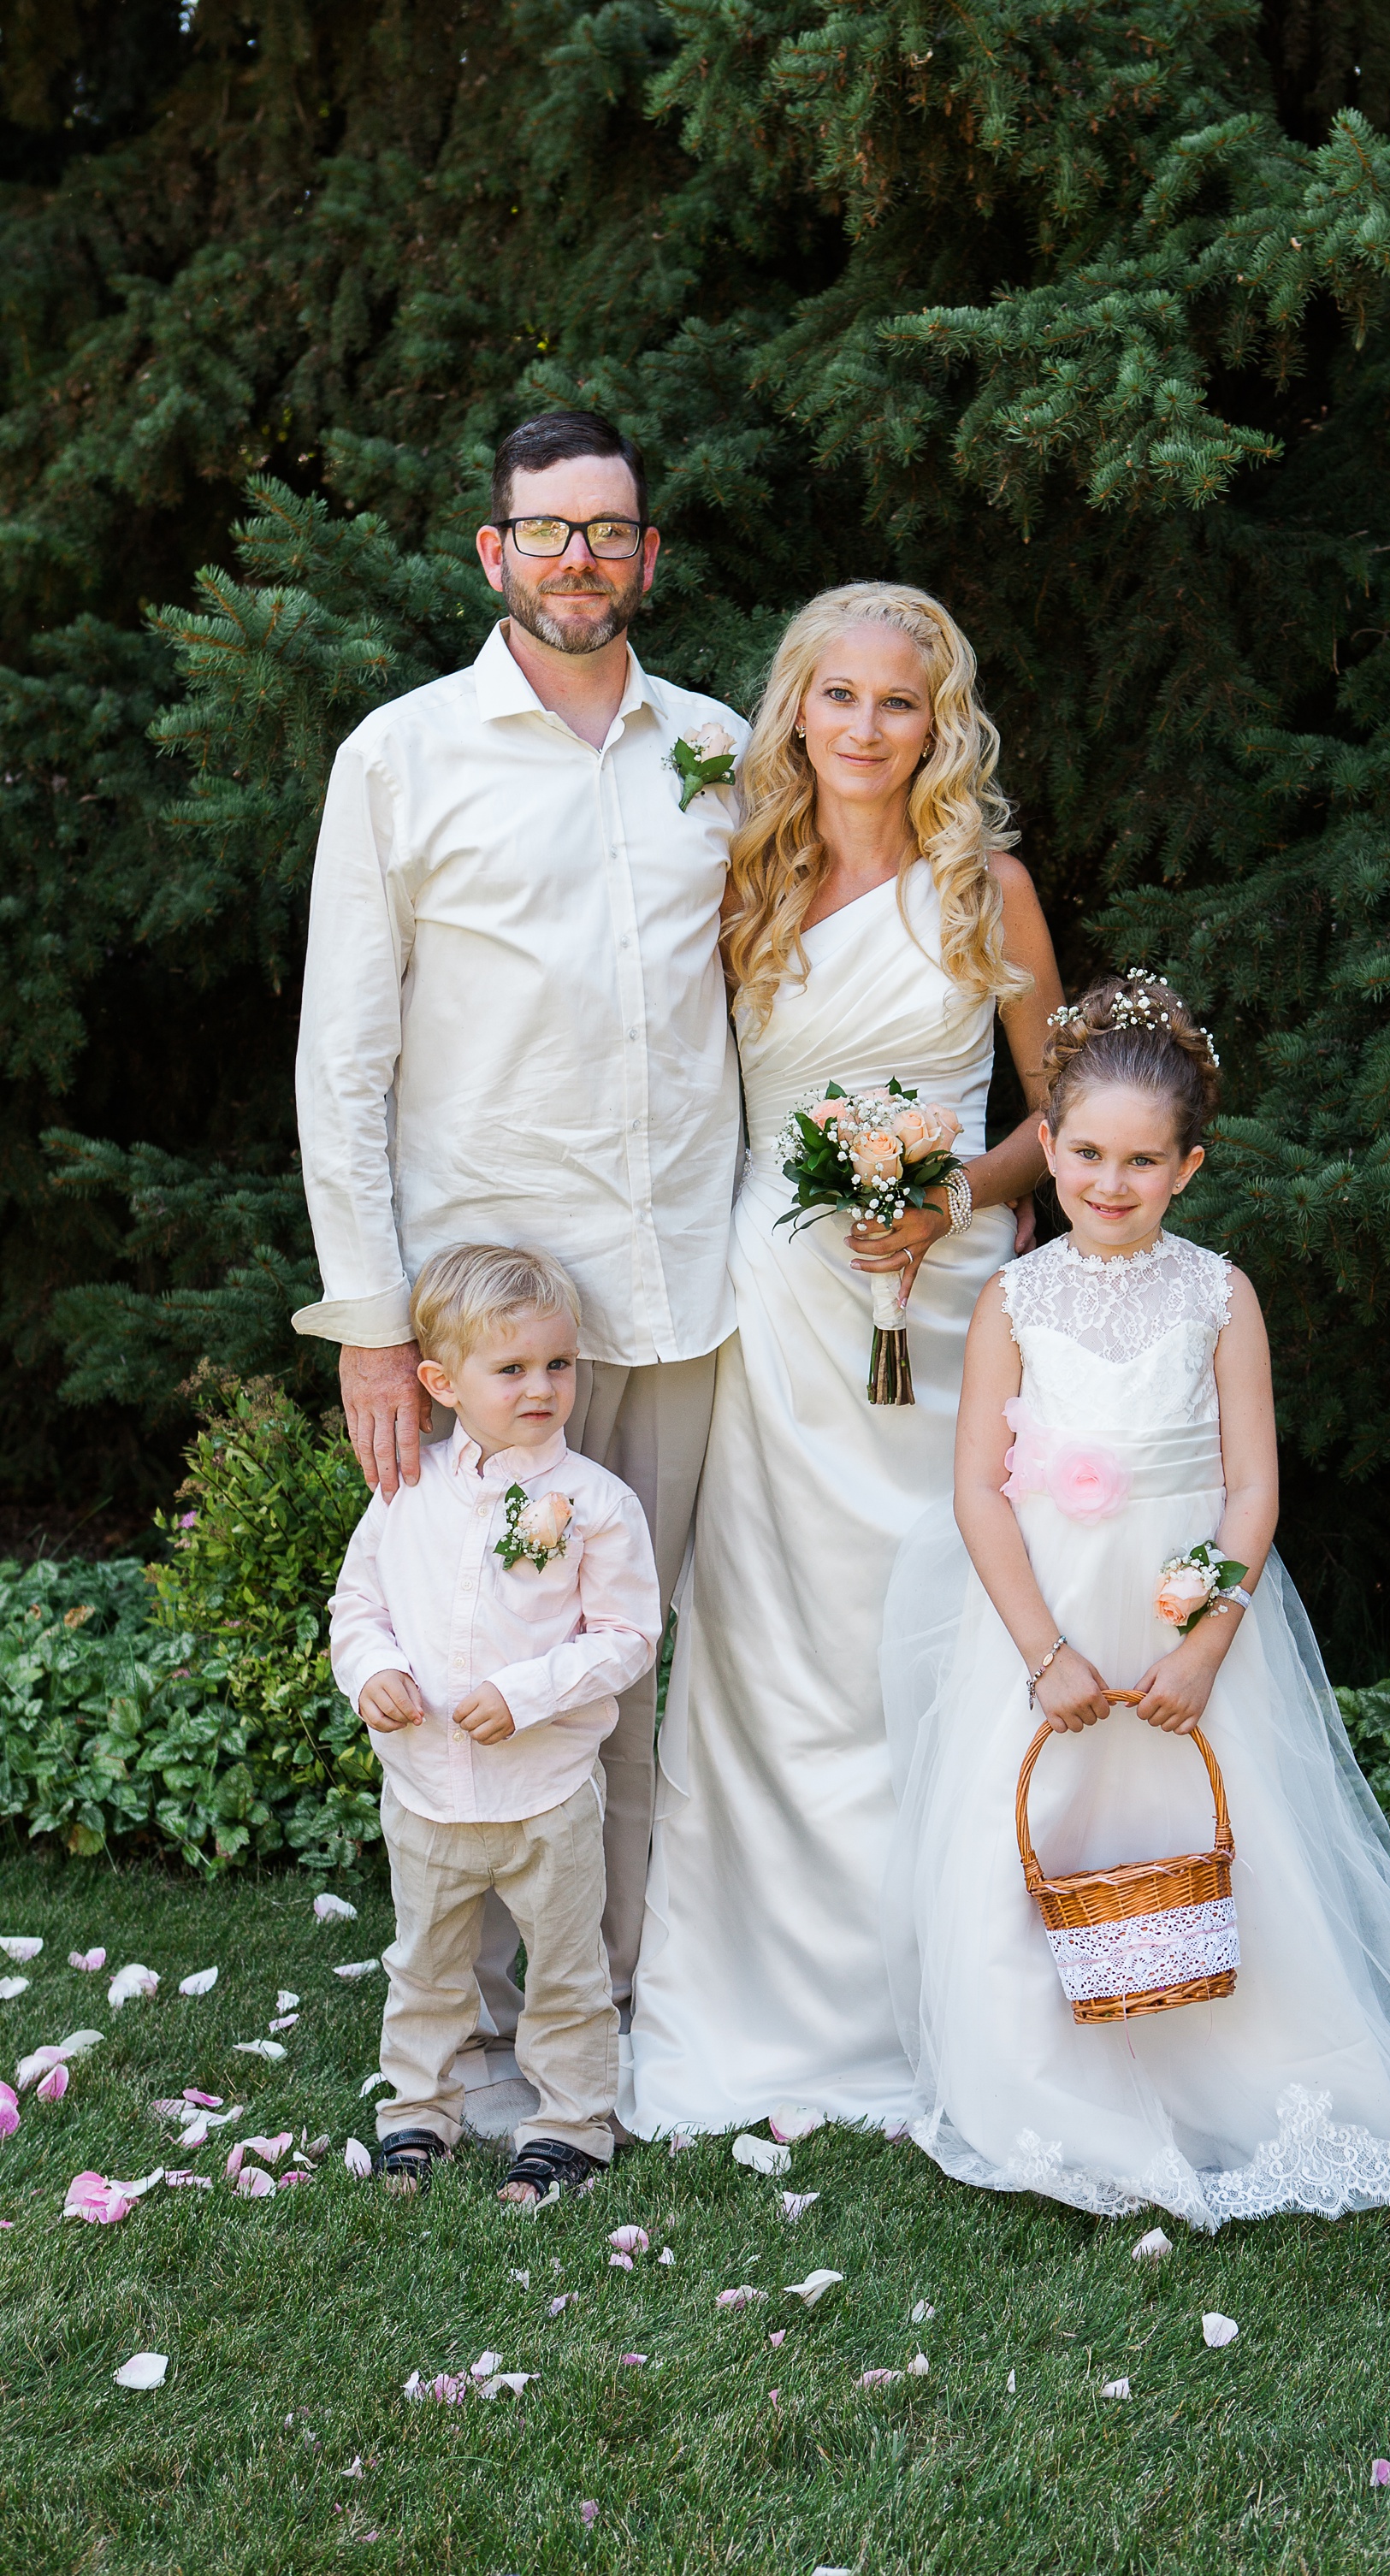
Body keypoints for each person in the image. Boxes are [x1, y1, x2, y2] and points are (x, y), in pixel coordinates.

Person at [881, 974, 1390, 2224]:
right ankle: (1055, 2090)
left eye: (1142, 1162)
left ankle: (1239, 2073)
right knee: (1035, 1837)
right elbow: (981, 1495)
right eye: (1087, 1153)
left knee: (1212, 1833)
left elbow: (1253, 1491)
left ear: (1188, 1168)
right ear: (1045, 1148)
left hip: (1177, 1612)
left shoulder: (1220, 1295)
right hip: (1045, 1617)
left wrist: (1210, 1643)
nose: (1109, 1183)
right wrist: (1041, 1651)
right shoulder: (1013, 1299)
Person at [294, 411, 745, 2057]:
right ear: (494, 552)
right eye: (546, 530)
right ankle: (467, 2019)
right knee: (469, 1656)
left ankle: (614, 2003)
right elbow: (341, 1057)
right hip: (481, 1332)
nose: (579, 558)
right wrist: (368, 1321)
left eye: (608, 531)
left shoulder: (722, 747)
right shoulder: (400, 756)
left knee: (631, 1671)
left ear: (648, 553)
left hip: (688, 1296)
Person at [625, 582, 1064, 2137]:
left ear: (938, 723)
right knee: (772, 1654)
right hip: (783, 1313)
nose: (868, 729)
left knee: (936, 1643)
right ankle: (761, 2005)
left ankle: (970, 1991)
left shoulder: (983, 890)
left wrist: (952, 1191)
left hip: (946, 1316)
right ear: (794, 707)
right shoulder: (738, 879)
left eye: (901, 703)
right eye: (839, 697)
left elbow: (1061, 1119)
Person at [329, 1244, 660, 2203]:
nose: (541, 1388)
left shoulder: (595, 1504)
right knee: (427, 1966)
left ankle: (568, 2126)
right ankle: (417, 2112)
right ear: (440, 1382)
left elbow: (627, 1635)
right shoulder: (404, 1494)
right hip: (426, 1788)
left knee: (565, 1969)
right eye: (510, 1369)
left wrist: (529, 1693)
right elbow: (358, 1610)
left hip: (543, 1791)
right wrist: (375, 1671)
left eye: (557, 1365)